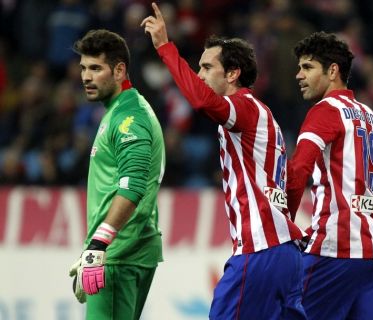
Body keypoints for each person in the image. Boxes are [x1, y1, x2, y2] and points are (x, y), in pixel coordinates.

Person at [142, 3, 307, 319]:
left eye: (206, 67)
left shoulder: (242, 108)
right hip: (287, 254)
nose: (199, 74)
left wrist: (165, 47)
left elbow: (202, 101)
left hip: (259, 252)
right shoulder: (264, 116)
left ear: (232, 74)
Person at [286, 31, 373, 320]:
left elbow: (297, 171)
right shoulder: (370, 115)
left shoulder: (325, 111)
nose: (299, 75)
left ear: (333, 71)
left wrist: (283, 227)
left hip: (336, 248)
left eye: (307, 67)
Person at [68, 29, 165, 320]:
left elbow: (132, 187)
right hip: (125, 250)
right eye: (83, 68)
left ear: (120, 69)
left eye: (96, 68)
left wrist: (98, 246)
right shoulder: (121, 110)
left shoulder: (128, 119)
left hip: (116, 256)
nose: (86, 77)